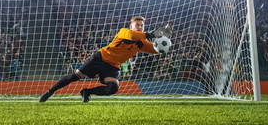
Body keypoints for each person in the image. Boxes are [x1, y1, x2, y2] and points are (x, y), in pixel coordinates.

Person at [39, 16, 172, 103]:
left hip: (112, 66)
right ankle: (50, 92)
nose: (139, 27)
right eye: (137, 25)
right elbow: (132, 35)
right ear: (131, 26)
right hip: (100, 58)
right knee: (75, 76)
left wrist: (165, 44)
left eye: (141, 25)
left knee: (113, 88)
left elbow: (155, 49)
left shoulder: (141, 42)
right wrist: (151, 34)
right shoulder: (124, 32)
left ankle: (87, 92)